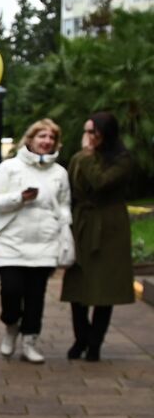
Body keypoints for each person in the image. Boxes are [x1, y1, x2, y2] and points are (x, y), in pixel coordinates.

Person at [0, 119, 71, 363]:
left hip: (45, 243)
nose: (46, 141)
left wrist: (63, 224)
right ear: (30, 139)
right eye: (41, 136)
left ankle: (29, 341)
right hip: (10, 243)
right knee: (11, 291)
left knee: (36, 296)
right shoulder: (9, 168)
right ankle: (11, 326)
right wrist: (19, 198)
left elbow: (64, 204)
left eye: (51, 138)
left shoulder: (60, 173)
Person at [62, 111, 136, 362]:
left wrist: (88, 155)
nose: (88, 137)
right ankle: (80, 337)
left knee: (106, 287)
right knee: (78, 284)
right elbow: (71, 188)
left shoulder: (121, 159)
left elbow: (100, 182)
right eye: (86, 131)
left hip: (109, 226)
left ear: (105, 133)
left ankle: (95, 342)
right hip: (82, 222)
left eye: (93, 132)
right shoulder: (79, 158)